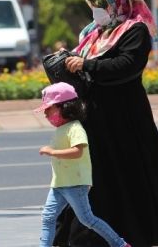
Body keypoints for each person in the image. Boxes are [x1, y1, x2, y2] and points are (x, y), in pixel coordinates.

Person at [58, 0, 158, 247]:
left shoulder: (134, 31)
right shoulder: (93, 32)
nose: (96, 13)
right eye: (93, 7)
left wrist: (87, 66)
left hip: (127, 120)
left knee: (142, 175)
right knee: (102, 178)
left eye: (101, 7)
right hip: (97, 118)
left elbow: (127, 66)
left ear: (116, 3)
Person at [35, 82, 130, 247]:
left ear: (64, 107)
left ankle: (120, 244)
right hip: (59, 183)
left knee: (87, 219)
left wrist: (52, 152)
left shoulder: (75, 128)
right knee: (48, 217)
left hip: (75, 183)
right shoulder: (62, 128)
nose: (45, 113)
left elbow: (77, 151)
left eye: (48, 109)